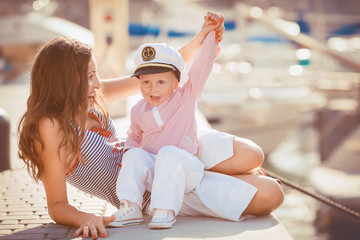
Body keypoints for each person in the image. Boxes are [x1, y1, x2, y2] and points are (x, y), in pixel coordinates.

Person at [17, 11, 284, 240]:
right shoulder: (51, 126)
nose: (97, 84)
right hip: (152, 189)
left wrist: (201, 38)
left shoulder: (91, 98)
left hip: (163, 148)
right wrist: (84, 218)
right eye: (89, 77)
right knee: (272, 194)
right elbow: (57, 205)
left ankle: (227, 173)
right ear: (63, 81)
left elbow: (156, 71)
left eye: (95, 74)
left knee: (252, 155)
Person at [111, 13, 220, 229]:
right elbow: (133, 137)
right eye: (146, 82)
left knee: (168, 153)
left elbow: (201, 68)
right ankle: (130, 206)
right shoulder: (138, 110)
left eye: (161, 81)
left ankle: (165, 209)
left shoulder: (186, 97)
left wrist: (210, 36)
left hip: (186, 169)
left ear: (176, 83)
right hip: (158, 171)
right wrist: (130, 155)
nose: (153, 89)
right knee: (133, 153)